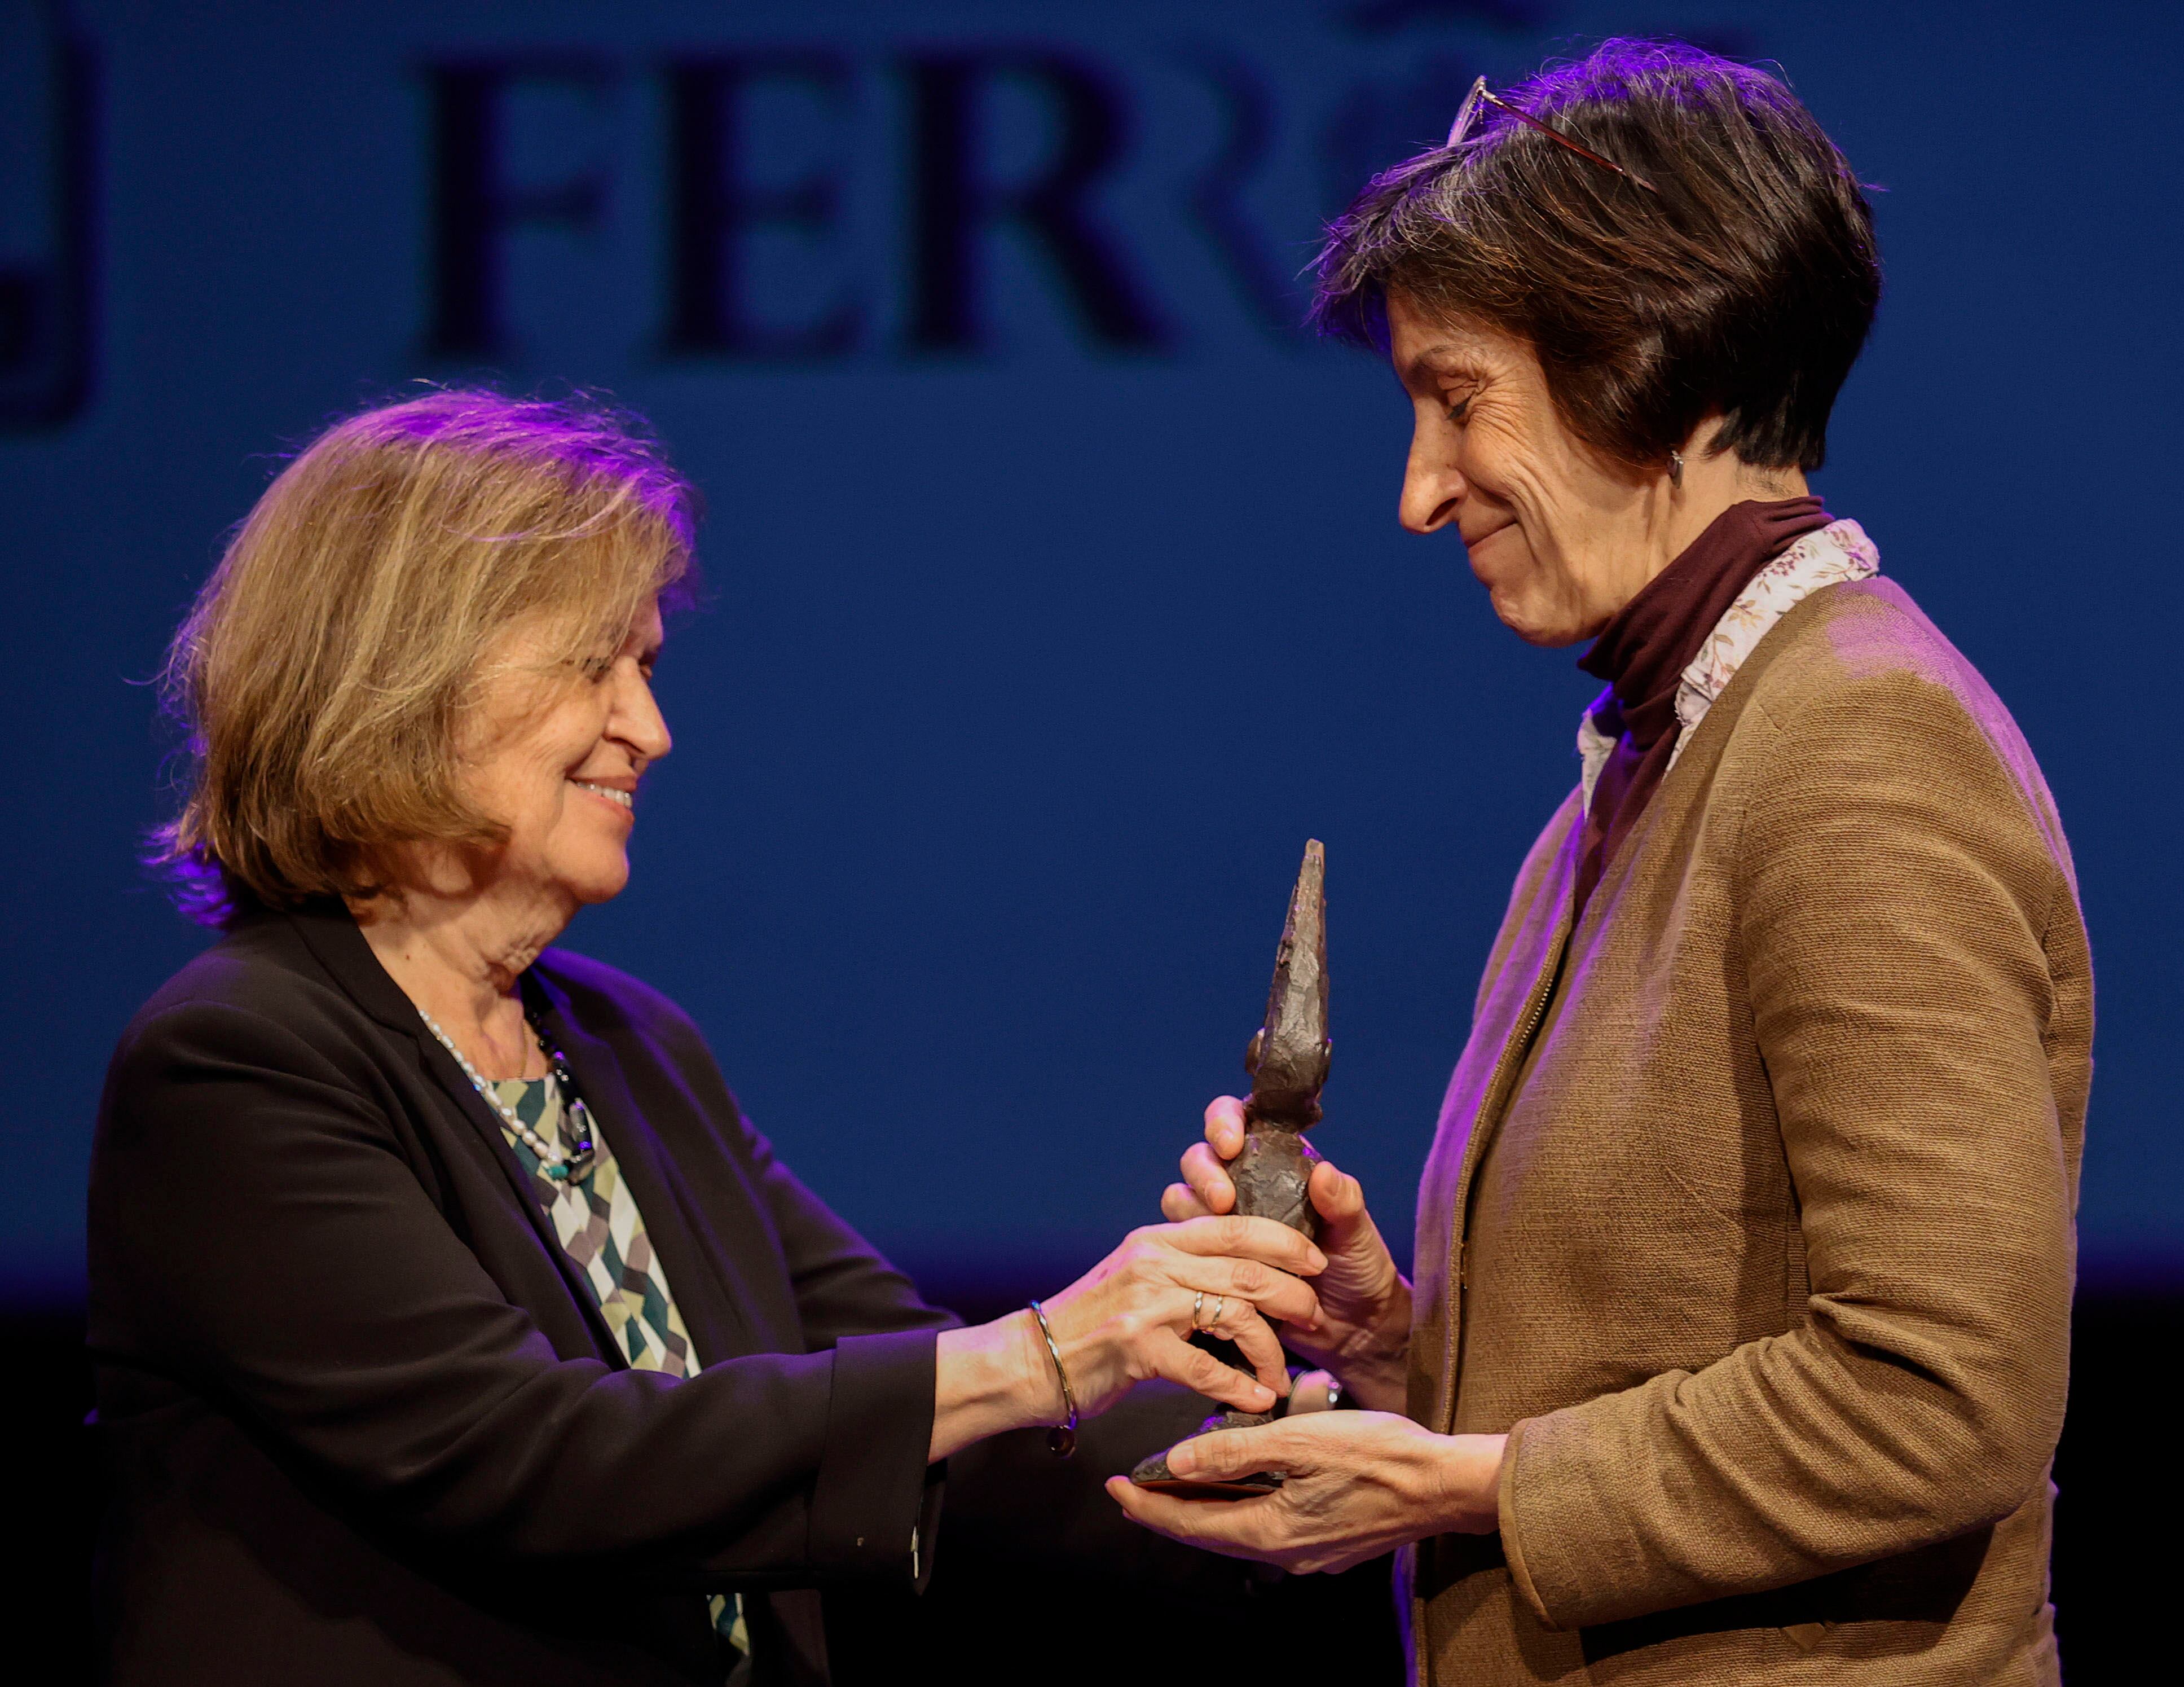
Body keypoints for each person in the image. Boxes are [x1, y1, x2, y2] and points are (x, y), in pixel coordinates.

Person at [1114, 39, 2092, 1686]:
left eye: (1458, 399)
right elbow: (1685, 1347)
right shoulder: (1656, 762)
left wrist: (1469, 1478)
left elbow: (1943, 1393)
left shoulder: (1859, 744)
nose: (1421, 492)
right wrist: (1406, 1341)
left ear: (1650, 354)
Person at [87, 390, 1328, 1685]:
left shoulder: (630, 1046)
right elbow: (533, 1456)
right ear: (407, 676)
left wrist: (1300, 1446)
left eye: (648, 667)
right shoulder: (237, 1060)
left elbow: (915, 1400)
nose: (650, 728)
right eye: (593, 666)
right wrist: (1054, 1347)